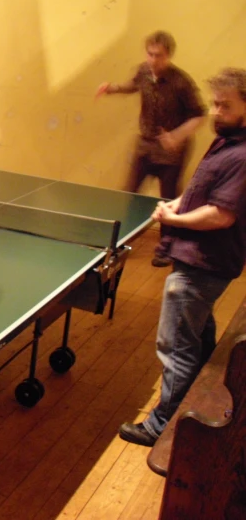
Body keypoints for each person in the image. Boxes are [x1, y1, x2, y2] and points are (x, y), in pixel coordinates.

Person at [118, 67, 246, 447]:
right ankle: (193, 400)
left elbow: (220, 215)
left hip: (202, 266)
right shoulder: (228, 142)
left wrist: (175, 218)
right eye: (215, 103)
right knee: (198, 337)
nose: (215, 111)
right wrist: (178, 203)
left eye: (225, 105)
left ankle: (162, 425)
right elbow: (206, 193)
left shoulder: (242, 155)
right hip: (200, 262)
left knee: (175, 347)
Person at [96, 30, 206, 267]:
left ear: (169, 56)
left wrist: (177, 136)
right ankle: (118, 242)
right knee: (130, 194)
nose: (154, 60)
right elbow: (132, 86)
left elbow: (200, 115)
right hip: (145, 145)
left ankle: (166, 248)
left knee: (167, 199)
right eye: (150, 54)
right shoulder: (143, 72)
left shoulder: (181, 82)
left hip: (172, 151)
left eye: (160, 55)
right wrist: (111, 88)